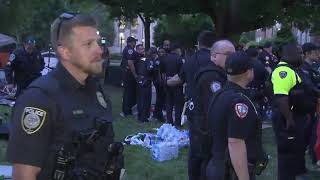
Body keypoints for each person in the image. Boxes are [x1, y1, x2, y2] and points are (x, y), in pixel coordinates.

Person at [7, 13, 122, 180]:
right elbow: (25, 175)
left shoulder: (96, 91)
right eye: (88, 44)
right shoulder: (39, 99)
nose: (99, 50)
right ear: (65, 52)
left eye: (98, 42)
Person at [206, 51, 260, 180]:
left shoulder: (219, 94)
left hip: (217, 162)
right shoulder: (239, 101)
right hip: (230, 170)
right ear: (248, 73)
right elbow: (235, 142)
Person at [189, 40, 235, 180]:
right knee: (205, 163)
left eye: (234, 54)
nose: (232, 57)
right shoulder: (212, 76)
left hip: (203, 128)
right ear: (214, 55)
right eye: (228, 54)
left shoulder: (218, 73)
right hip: (205, 130)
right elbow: (214, 107)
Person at [271, 43, 317, 180]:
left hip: (297, 116)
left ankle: (296, 173)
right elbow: (281, 98)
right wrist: (289, 119)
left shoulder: (294, 70)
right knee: (287, 154)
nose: (302, 56)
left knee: (295, 150)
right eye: (300, 53)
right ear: (289, 54)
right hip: (286, 117)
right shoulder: (283, 71)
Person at [300, 42, 320, 169]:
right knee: (310, 132)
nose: (318, 54)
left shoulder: (312, 67)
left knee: (314, 131)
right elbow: (309, 87)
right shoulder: (304, 69)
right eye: (315, 52)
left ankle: (314, 156)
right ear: (307, 53)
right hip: (309, 106)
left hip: (314, 105)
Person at [161, 43, 184, 126]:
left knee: (169, 103)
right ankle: (177, 122)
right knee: (178, 104)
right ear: (177, 50)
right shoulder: (179, 59)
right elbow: (182, 73)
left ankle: (169, 121)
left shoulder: (164, 58)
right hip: (177, 84)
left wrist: (165, 82)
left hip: (167, 82)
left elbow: (162, 73)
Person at [120, 36, 138, 117]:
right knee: (129, 93)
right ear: (130, 42)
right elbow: (130, 63)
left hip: (126, 73)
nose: (135, 43)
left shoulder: (127, 49)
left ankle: (126, 110)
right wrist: (135, 75)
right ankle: (127, 111)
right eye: (134, 42)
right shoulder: (130, 50)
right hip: (129, 74)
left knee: (127, 92)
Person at [135, 45, 154, 123]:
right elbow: (150, 69)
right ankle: (144, 117)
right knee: (145, 99)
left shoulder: (140, 59)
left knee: (140, 99)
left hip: (140, 79)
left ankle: (140, 116)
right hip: (146, 80)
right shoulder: (148, 59)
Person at [152, 46, 166, 121]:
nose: (161, 53)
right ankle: (158, 115)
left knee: (160, 99)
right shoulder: (159, 60)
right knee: (160, 99)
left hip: (158, 82)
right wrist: (163, 82)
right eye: (160, 52)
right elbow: (160, 73)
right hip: (159, 82)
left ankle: (156, 114)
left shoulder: (161, 59)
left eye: (162, 52)